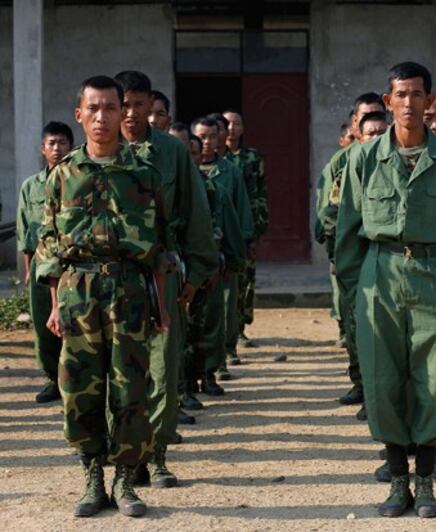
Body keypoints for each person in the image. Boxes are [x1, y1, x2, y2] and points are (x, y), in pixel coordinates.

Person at [335, 62, 436, 519]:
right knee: (383, 381)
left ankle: (425, 482)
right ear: (388, 102)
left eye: (417, 94)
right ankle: (397, 480)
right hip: (379, 274)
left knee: (434, 380)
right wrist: (353, 296)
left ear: (429, 101)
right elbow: (347, 236)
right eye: (400, 94)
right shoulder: (362, 159)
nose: (408, 102)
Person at [37, 75, 171, 518]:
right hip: (78, 291)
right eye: (92, 108)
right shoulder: (62, 176)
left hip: (130, 290)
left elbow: (161, 247)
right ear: (80, 114)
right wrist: (55, 305)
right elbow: (49, 247)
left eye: (110, 107)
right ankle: (93, 474)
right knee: (78, 387)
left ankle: (127, 479)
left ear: (124, 113)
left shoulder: (144, 173)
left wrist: (162, 306)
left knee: (130, 387)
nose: (102, 116)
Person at [115, 70, 218, 488]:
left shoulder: (172, 153)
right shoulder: (100, 151)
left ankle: (156, 455)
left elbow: (195, 212)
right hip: (113, 277)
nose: (132, 113)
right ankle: (125, 456)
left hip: (161, 273)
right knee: (120, 371)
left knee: (163, 367)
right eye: (124, 105)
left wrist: (197, 270)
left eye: (140, 105)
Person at [315, 92, 385, 413]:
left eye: (378, 119)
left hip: (386, 259)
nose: (374, 131)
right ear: (356, 125)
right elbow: (330, 212)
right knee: (354, 324)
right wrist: (340, 254)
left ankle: (378, 393)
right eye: (365, 120)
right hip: (351, 254)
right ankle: (361, 383)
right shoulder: (343, 162)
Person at [192, 116, 254, 389]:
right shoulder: (184, 177)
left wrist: (238, 251)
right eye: (201, 138)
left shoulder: (229, 172)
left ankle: (217, 364)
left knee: (223, 313)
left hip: (221, 255)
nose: (206, 143)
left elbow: (240, 213)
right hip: (192, 260)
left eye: (211, 137)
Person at [17, 121, 72, 404]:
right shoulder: (31, 186)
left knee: (73, 323)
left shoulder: (78, 181)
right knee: (43, 326)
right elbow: (25, 232)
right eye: (51, 143)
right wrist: (28, 271)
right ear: (42, 148)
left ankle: (73, 378)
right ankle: (53, 378)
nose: (57, 148)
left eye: (62, 142)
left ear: (71, 146)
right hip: (40, 266)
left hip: (71, 266)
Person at [223, 109, 269, 353]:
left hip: (246, 227)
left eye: (236, 123)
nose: (231, 128)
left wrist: (257, 230)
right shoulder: (214, 160)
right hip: (222, 229)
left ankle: (240, 327)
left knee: (246, 281)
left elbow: (260, 194)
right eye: (227, 123)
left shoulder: (252, 158)